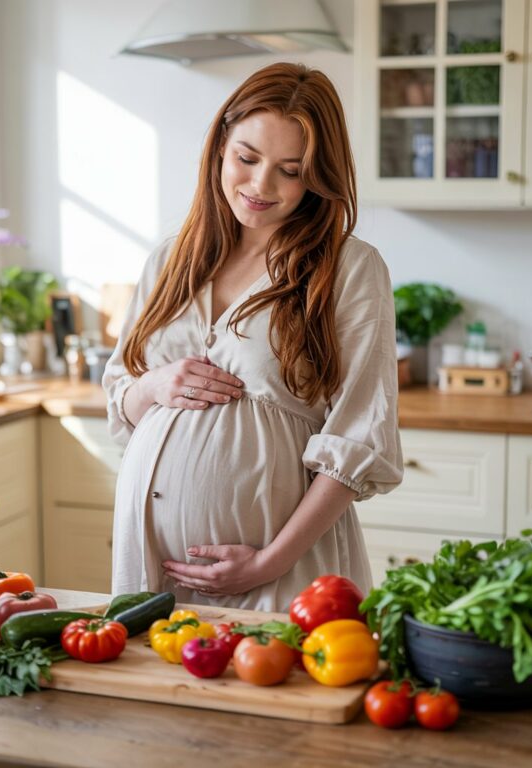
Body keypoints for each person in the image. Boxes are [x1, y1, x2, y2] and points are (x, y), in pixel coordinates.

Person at [103, 62, 402, 612]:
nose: (262, 186)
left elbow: (361, 437)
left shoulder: (349, 268)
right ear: (220, 145)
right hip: (148, 560)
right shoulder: (170, 260)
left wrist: (268, 563)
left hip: (276, 567)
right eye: (247, 158)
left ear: (318, 175)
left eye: (291, 170)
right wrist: (155, 385)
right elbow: (123, 389)